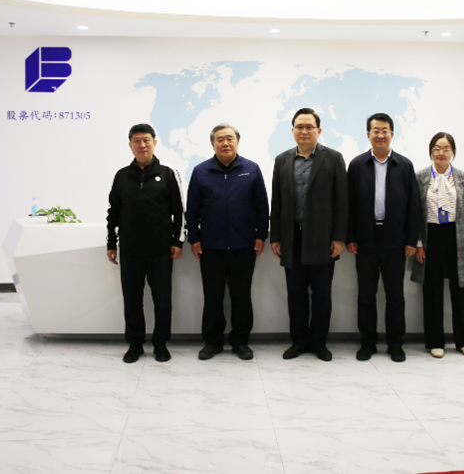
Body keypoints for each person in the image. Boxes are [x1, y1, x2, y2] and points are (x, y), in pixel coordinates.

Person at [270, 107, 349, 362]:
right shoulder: (282, 160)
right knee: (296, 294)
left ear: (319, 130)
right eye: (299, 127)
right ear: (293, 130)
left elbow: (342, 200)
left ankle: (319, 343)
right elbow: (277, 201)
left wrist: (339, 237)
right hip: (292, 238)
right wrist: (276, 237)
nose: (304, 131)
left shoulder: (334, 158)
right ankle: (299, 341)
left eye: (309, 127)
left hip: (323, 239)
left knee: (322, 294)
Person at [186, 123, 269, 361]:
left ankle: (240, 341)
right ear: (213, 144)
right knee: (212, 297)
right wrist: (194, 239)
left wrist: (260, 235)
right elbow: (192, 209)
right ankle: (212, 342)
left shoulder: (251, 169)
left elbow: (262, 206)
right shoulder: (200, 171)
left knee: (241, 296)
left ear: (237, 142)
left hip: (244, 246)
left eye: (230, 138)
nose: (225, 143)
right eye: (220, 139)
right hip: (210, 247)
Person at [106, 124, 185, 363]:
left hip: (161, 250)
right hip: (130, 249)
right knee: (132, 299)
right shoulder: (122, 176)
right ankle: (135, 344)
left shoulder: (168, 173)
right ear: (130, 145)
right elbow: (114, 211)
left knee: (162, 299)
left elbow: (179, 211)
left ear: (154, 143)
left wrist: (178, 241)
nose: (142, 145)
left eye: (146, 140)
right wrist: (111, 242)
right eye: (137, 141)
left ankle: (161, 344)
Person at [347, 113, 422, 362]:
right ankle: (367, 343)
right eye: (376, 131)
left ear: (392, 134)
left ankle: (395, 344)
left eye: (385, 130)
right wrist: (350, 237)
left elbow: (414, 207)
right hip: (365, 239)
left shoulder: (405, 165)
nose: (380, 135)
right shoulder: (357, 165)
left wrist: (411, 240)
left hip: (395, 239)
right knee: (366, 295)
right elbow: (348, 205)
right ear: (368, 135)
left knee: (395, 296)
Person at [410, 132, 464, 359]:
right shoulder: (420, 176)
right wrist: (418, 243)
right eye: (437, 148)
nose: (441, 153)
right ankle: (435, 341)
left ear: (453, 152)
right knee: (432, 289)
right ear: (431, 151)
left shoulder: (462, 177)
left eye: (446, 149)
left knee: (461, 289)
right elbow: (415, 213)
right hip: (431, 236)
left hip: (457, 235)